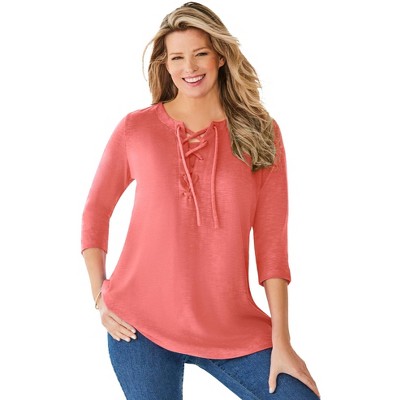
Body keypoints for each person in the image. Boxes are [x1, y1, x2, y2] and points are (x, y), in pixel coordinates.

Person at [81, 2, 320, 399]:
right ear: (165, 63)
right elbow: (96, 211)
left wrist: (282, 341)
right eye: (177, 57)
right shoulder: (136, 129)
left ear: (220, 56)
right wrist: (99, 295)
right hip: (139, 325)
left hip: (231, 327)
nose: (189, 67)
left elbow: (272, 246)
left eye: (200, 53)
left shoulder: (261, 133)